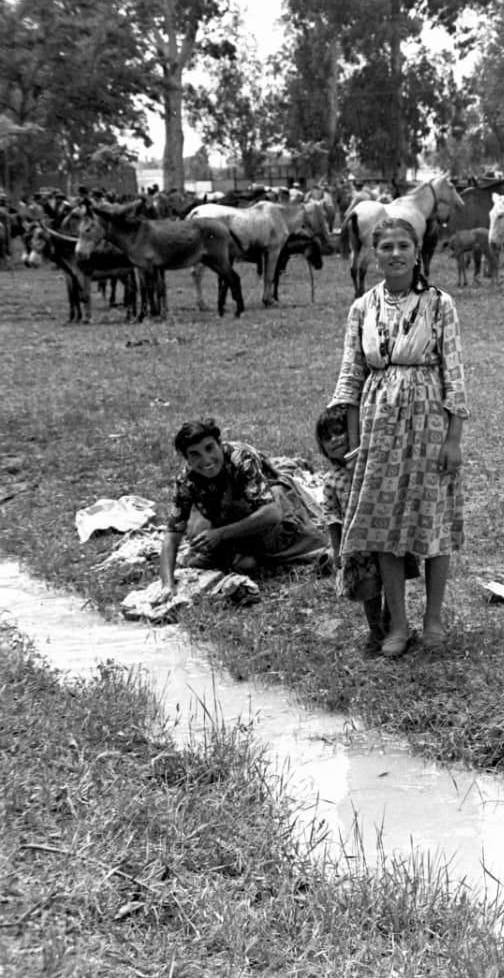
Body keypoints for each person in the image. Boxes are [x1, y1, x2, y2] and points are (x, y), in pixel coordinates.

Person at [329, 216, 467, 657]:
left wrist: (453, 439)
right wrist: (355, 443)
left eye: (403, 245)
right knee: (383, 522)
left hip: (428, 417)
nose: (394, 254)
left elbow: (455, 374)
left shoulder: (439, 304)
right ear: (374, 254)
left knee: (432, 520)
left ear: (417, 251)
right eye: (385, 246)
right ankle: (399, 624)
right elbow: (350, 377)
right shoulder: (362, 307)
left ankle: (433, 618)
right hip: (377, 422)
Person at [158, 419, 329, 596]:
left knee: (300, 552)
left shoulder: (241, 458)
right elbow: (171, 536)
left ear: (219, 444)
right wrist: (167, 585)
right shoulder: (186, 480)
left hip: (273, 505)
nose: (206, 460)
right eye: (195, 454)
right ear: (187, 459)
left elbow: (271, 513)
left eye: (209, 448)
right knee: (227, 558)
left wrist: (220, 534)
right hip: (231, 516)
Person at [316, 406, 419, 653]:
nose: (335, 440)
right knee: (369, 589)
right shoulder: (332, 480)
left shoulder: (371, 467)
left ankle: (392, 622)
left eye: (340, 432)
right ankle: (375, 631)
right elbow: (332, 518)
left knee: (391, 580)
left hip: (384, 536)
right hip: (359, 548)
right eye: (327, 438)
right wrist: (338, 549)